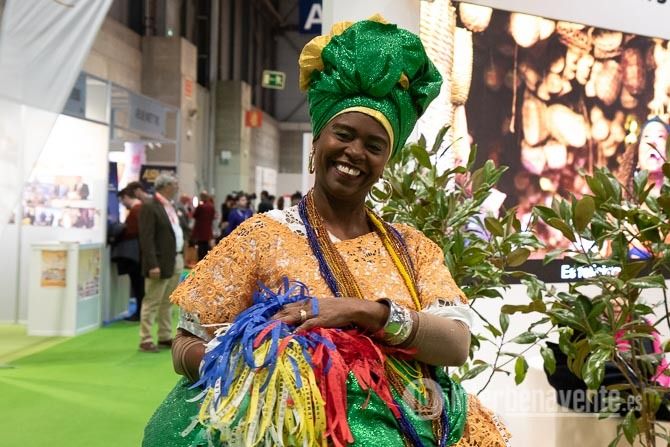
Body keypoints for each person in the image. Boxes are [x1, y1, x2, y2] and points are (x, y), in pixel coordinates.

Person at [143, 16, 510, 446]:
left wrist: (362, 312)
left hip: (411, 427)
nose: (355, 152)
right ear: (317, 141)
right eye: (344, 134)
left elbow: (456, 344)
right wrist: (255, 373)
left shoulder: (412, 249)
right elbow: (186, 343)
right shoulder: (261, 236)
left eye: (374, 146)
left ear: (386, 162)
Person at [137, 174, 184, 353]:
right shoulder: (150, 206)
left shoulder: (170, 206)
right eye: (174, 184)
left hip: (174, 258)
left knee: (168, 301)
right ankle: (146, 338)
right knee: (152, 300)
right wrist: (152, 264)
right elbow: (146, 238)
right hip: (159, 261)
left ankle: (164, 335)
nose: (177, 187)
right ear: (165, 186)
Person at [111, 187, 144, 321]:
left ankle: (139, 313)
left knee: (138, 284)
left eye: (122, 200)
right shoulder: (140, 208)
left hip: (134, 254)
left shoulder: (136, 210)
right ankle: (141, 312)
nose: (122, 203)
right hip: (139, 253)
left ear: (126, 197)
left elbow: (130, 231)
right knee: (139, 285)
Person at [191, 191, 216, 261]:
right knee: (206, 246)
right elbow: (213, 217)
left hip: (200, 230)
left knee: (201, 247)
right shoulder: (211, 206)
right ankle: (206, 260)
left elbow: (195, 215)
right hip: (208, 230)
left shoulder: (200, 206)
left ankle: (200, 260)